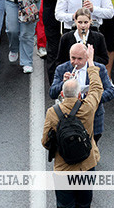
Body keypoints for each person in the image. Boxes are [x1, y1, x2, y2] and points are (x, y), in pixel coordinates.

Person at [42, 42, 102, 208]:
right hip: (86, 164)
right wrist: (90, 62)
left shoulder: (52, 112)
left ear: (62, 93)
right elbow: (97, 87)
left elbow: (45, 142)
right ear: (79, 94)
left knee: (64, 204)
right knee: (84, 203)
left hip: (63, 167)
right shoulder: (88, 107)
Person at [50, 42, 114, 142]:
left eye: (80, 59)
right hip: (69, 121)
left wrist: (93, 97)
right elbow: (52, 93)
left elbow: (110, 92)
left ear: (87, 57)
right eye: (73, 58)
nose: (76, 62)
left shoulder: (100, 68)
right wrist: (63, 84)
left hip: (93, 120)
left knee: (91, 152)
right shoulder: (62, 69)